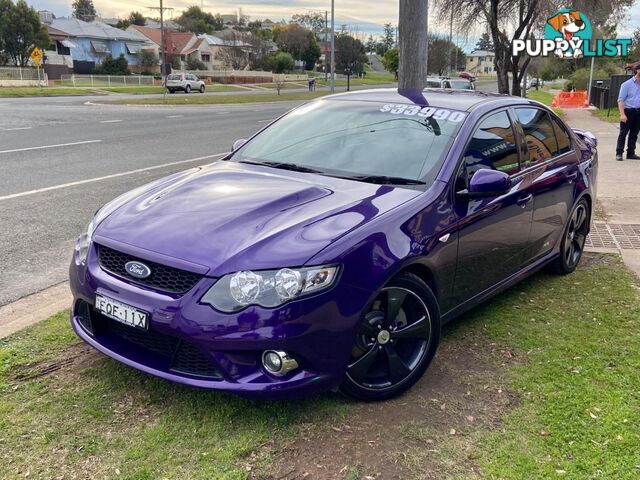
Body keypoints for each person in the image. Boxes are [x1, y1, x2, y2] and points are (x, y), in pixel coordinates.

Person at [616, 66, 640, 161]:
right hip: (628, 111)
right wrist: (622, 114)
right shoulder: (626, 84)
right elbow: (620, 100)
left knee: (634, 134)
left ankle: (631, 153)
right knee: (623, 133)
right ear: (637, 71)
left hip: (639, 112)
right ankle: (619, 153)